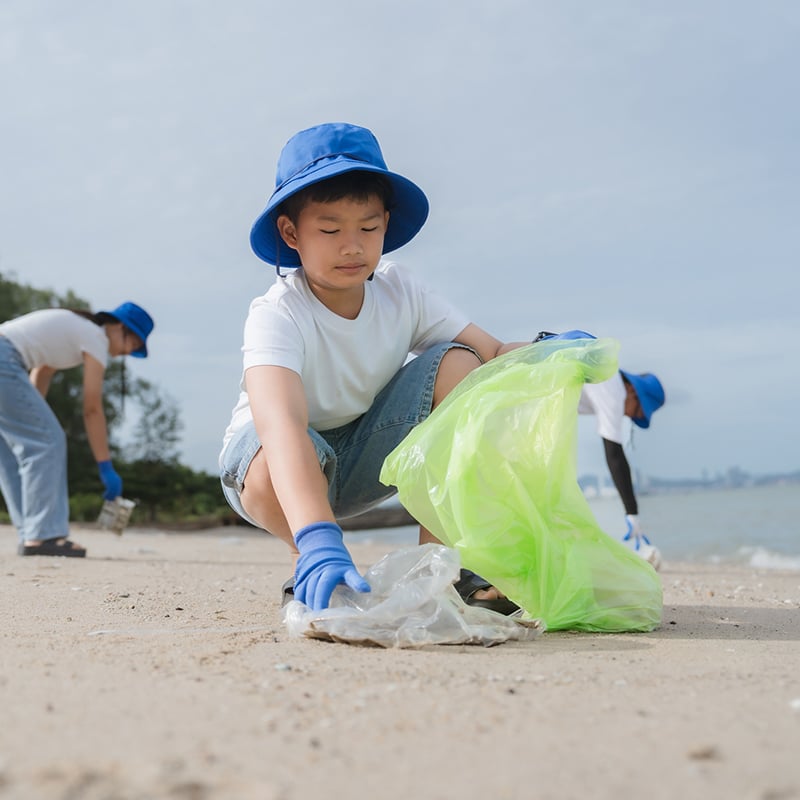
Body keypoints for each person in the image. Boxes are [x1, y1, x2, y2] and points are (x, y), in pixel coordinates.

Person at [220, 122, 536, 613]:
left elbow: (490, 353)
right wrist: (320, 536)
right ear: (291, 232)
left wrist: (547, 352)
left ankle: (439, 567)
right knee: (272, 458)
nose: (353, 246)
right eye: (329, 230)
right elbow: (280, 426)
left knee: (461, 364)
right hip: (276, 467)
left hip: (369, 454)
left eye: (368, 228)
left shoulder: (399, 290)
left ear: (386, 224)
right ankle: (310, 557)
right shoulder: (277, 313)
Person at [0, 302, 154, 557]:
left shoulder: (76, 330)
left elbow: (42, 372)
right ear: (117, 326)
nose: (128, 352)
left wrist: (32, 419)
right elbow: (92, 408)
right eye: (133, 343)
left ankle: (31, 533)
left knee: (10, 453)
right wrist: (105, 466)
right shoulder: (95, 337)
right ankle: (43, 536)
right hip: (5, 360)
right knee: (49, 441)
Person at [578, 369, 665, 567]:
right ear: (634, 391)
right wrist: (632, 513)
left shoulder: (604, 375)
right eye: (636, 411)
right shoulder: (612, 386)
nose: (628, 415)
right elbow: (615, 455)